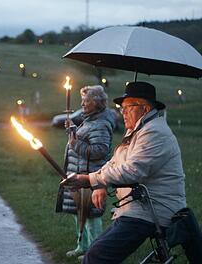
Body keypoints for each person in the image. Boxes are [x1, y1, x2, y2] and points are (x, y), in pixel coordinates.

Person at [61, 81, 187, 263]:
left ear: (143, 109)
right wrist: (100, 183)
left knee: (96, 256)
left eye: (128, 107)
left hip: (152, 211)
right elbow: (115, 162)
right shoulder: (140, 130)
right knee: (94, 254)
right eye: (122, 108)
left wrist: (89, 179)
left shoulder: (154, 133)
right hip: (139, 208)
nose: (122, 112)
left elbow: (132, 170)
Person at [61, 85, 116, 259]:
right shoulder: (91, 120)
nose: (82, 104)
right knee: (80, 213)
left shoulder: (100, 123)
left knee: (91, 217)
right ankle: (82, 246)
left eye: (86, 101)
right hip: (80, 176)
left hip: (91, 178)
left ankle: (95, 252)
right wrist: (73, 130)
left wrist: (75, 144)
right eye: (82, 100)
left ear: (97, 103)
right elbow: (85, 139)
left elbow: (99, 150)